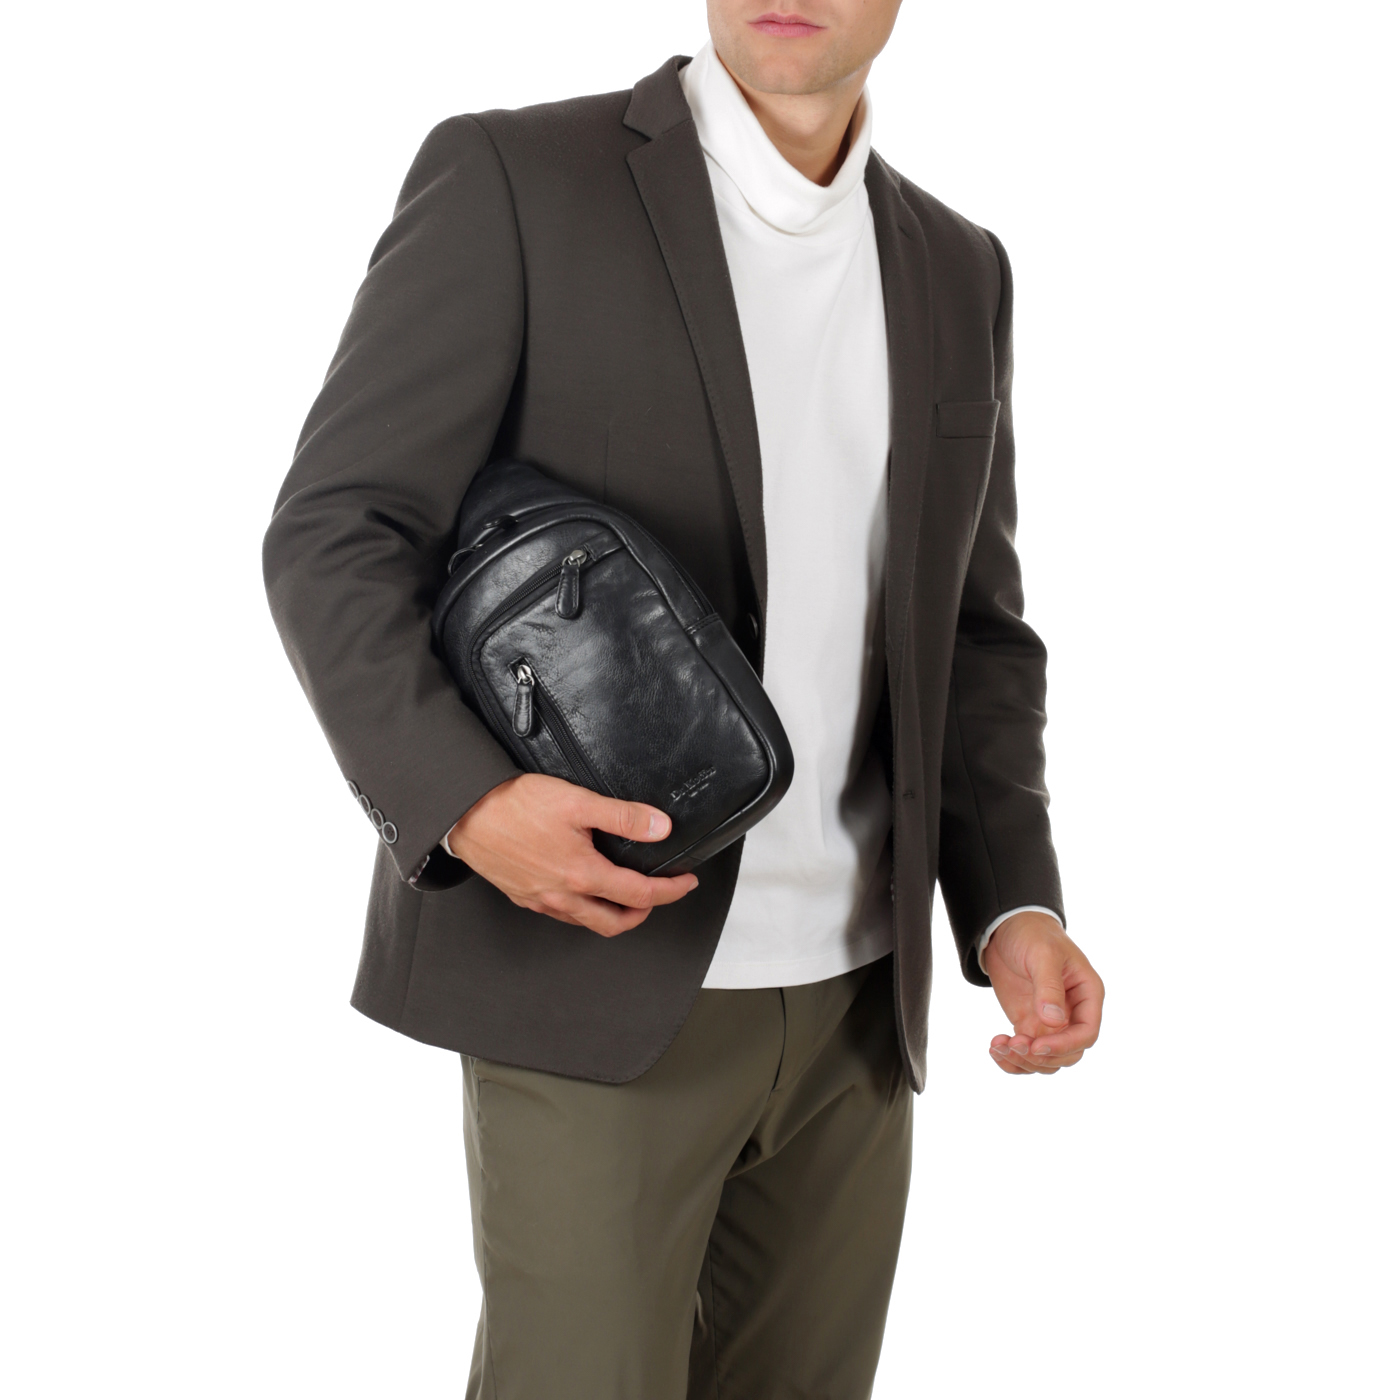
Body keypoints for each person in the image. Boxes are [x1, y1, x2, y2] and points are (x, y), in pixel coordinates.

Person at [264, 2, 1106, 1395]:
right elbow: (335, 530)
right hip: (596, 961)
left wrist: (1011, 902)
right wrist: (466, 804)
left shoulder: (960, 267)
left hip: (858, 1006)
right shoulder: (516, 179)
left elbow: (971, 628)